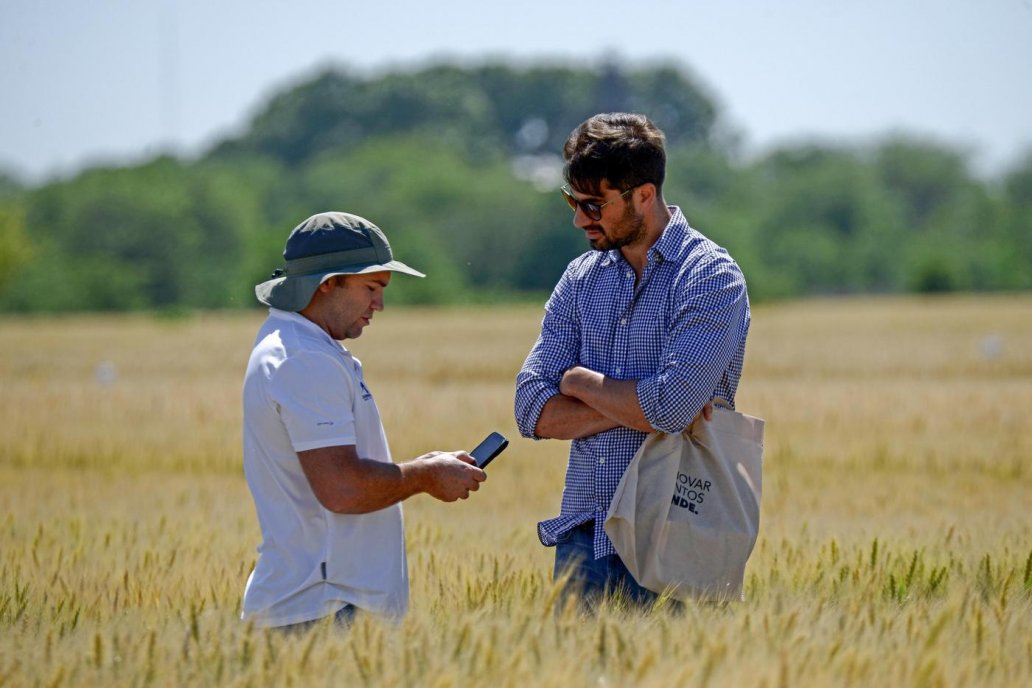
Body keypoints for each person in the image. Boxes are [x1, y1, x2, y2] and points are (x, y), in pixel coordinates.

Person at [514, 113, 750, 607]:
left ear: (644, 195)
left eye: (594, 204)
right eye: (572, 202)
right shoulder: (580, 278)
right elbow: (531, 410)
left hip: (677, 534)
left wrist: (576, 380)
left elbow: (667, 410)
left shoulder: (711, 277)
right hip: (583, 536)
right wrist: (641, 402)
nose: (579, 218)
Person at [241, 211, 486, 631]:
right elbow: (342, 488)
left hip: (319, 602)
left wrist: (421, 466)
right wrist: (424, 476)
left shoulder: (300, 346)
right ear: (327, 283)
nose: (380, 304)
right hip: (321, 608)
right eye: (371, 287)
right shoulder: (305, 359)